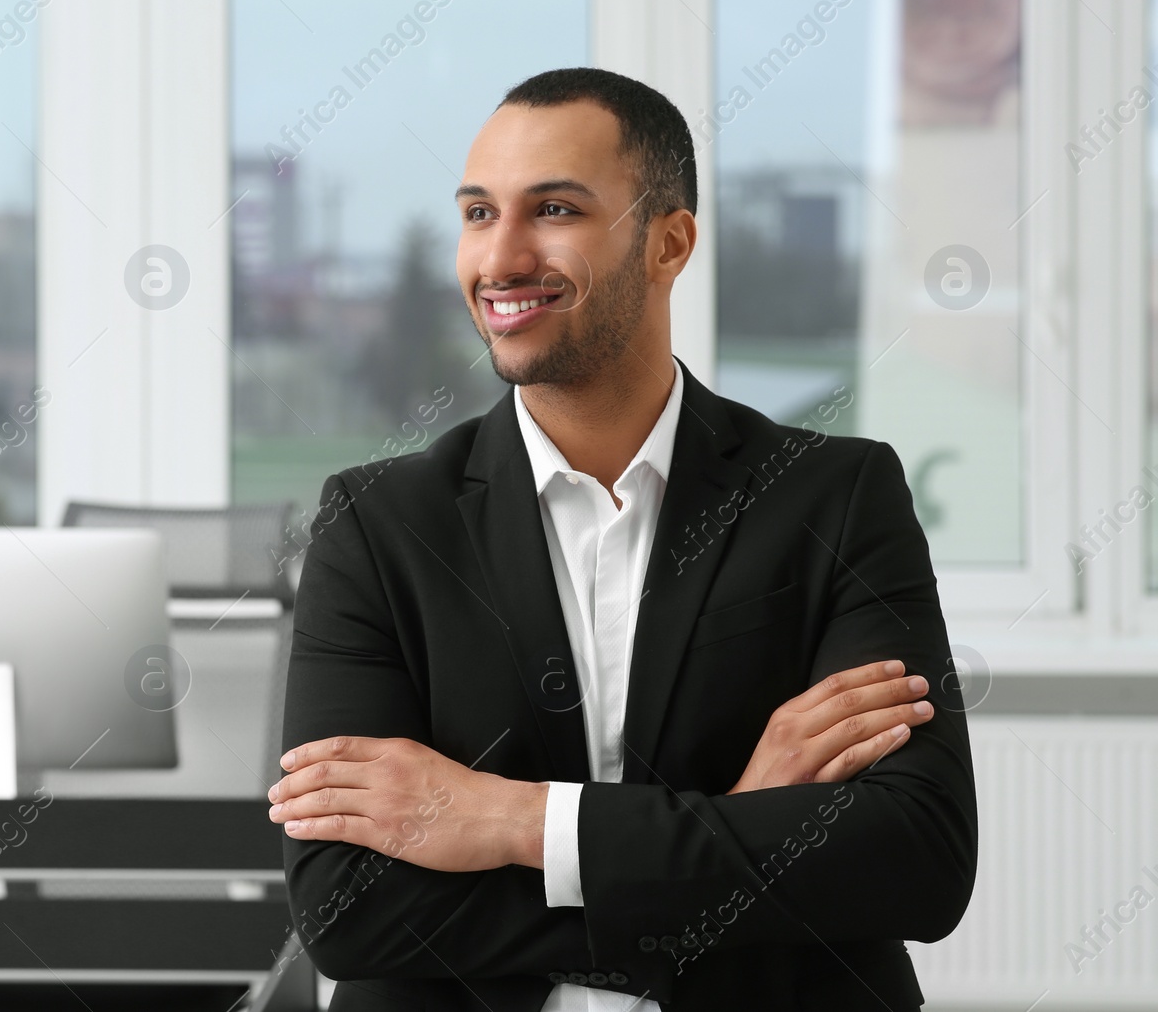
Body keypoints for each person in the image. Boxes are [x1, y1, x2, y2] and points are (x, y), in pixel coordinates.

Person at [268, 67, 978, 1011]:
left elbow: (915, 858)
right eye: (479, 214)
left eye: (554, 208)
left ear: (669, 242)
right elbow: (346, 909)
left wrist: (521, 821)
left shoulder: (835, 495)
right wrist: (734, 825)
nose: (502, 257)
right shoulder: (377, 526)